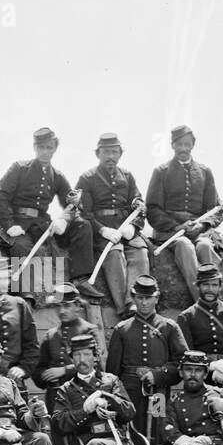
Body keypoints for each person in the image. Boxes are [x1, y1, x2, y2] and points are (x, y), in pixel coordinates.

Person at [0, 127, 101, 302]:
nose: (45, 152)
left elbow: (73, 204)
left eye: (49, 148)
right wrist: (9, 225)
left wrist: (64, 220)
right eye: (41, 147)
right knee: (22, 247)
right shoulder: (20, 168)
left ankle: (80, 278)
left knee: (83, 225)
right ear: (34, 147)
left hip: (42, 225)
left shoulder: (57, 176)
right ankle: (25, 294)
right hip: (18, 224)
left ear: (55, 149)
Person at [105, 274, 189, 445]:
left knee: (158, 433)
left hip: (158, 393)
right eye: (140, 298)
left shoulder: (169, 327)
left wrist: (158, 375)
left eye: (148, 298)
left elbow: (182, 364)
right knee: (131, 433)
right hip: (128, 395)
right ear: (134, 298)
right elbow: (112, 373)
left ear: (156, 298)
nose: (144, 303)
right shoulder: (122, 330)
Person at [145, 125, 223, 296]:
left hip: (198, 231)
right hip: (170, 232)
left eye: (187, 145)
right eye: (179, 144)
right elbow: (152, 209)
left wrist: (201, 226)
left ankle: (213, 296)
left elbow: (215, 210)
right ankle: (201, 301)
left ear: (193, 145)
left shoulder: (205, 172)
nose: (183, 149)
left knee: (204, 246)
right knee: (185, 245)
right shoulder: (161, 172)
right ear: (172, 145)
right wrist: (176, 227)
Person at [76, 133, 149, 313]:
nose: (110, 156)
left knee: (140, 253)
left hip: (126, 228)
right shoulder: (87, 178)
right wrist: (102, 230)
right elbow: (84, 212)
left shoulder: (128, 176)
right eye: (106, 152)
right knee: (115, 254)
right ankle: (124, 307)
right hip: (103, 230)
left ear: (120, 154)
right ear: (98, 154)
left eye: (114, 152)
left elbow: (139, 204)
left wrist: (134, 226)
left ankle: (135, 302)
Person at [175, 264, 223, 394]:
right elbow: (184, 355)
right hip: (200, 384)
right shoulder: (186, 317)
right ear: (198, 286)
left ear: (220, 286)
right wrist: (210, 365)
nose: (210, 289)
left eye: (214, 285)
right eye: (206, 285)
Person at [32, 283, 102, 412]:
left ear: (77, 306)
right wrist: (46, 376)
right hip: (56, 398)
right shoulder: (51, 335)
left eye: (67, 306)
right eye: (58, 306)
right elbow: (38, 370)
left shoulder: (89, 330)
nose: (62, 311)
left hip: (83, 396)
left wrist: (64, 371)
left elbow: (98, 364)